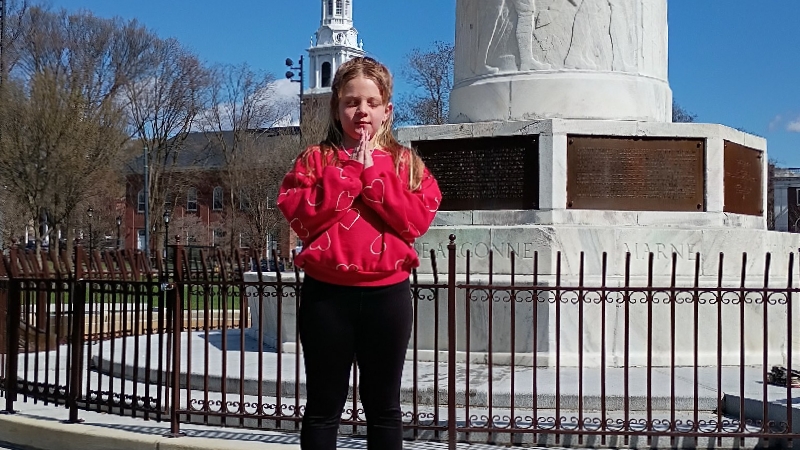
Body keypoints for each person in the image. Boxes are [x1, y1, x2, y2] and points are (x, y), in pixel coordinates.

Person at [277, 57, 442, 450]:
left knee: (383, 406)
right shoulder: (315, 160)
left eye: (371, 102)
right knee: (322, 406)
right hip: (327, 298)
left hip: (388, 297)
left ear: (388, 110)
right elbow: (299, 215)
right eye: (351, 102)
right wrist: (347, 176)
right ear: (336, 107)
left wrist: (375, 178)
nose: (362, 111)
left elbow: (416, 220)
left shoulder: (406, 163)